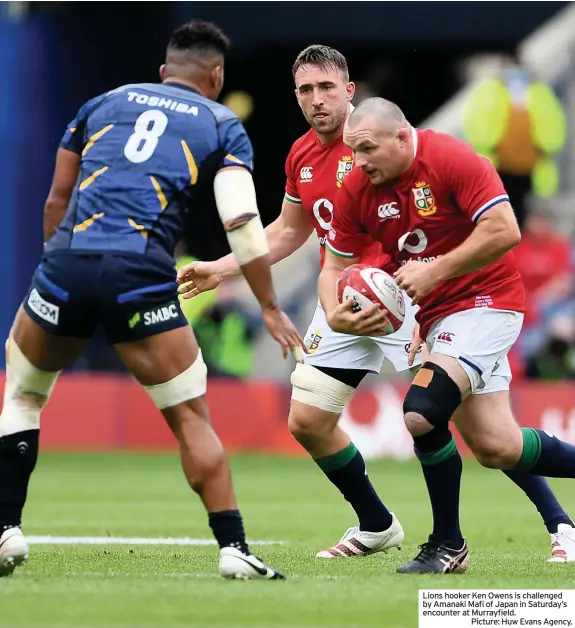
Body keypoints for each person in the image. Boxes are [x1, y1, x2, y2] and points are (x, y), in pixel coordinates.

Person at [177, 48, 575, 563]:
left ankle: (556, 523)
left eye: (326, 87)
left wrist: (429, 304)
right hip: (349, 295)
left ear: (349, 91)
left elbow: (460, 233)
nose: (316, 99)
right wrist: (222, 267)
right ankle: (377, 524)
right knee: (308, 420)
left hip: (411, 295)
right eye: (305, 90)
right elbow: (289, 233)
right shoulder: (301, 155)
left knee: (476, 430)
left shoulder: (382, 147)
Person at [0, 20, 304, 580]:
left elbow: (57, 199)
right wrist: (267, 302)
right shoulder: (221, 122)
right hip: (139, 273)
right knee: (190, 415)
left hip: (67, 263)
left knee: (21, 394)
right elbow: (240, 219)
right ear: (215, 75)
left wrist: (58, 270)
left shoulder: (101, 103)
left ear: (164, 71)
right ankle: (233, 548)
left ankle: (5, 529)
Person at [321, 97, 575, 574]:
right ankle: (556, 523)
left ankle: (447, 544)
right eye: (353, 152)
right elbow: (335, 263)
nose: (359, 162)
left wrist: (434, 271)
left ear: (401, 136)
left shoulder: (451, 159)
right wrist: (336, 314)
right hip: (438, 316)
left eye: (368, 149)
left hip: (489, 303)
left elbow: (504, 230)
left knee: (422, 412)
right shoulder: (358, 187)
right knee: (499, 447)